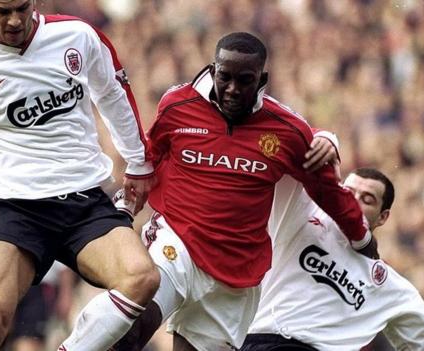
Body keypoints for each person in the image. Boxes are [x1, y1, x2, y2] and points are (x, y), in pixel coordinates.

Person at [113, 32, 376, 351]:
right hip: (178, 239)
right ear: (212, 71)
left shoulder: (286, 131)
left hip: (235, 274)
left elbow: (328, 192)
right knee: (133, 323)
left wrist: (362, 237)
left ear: (262, 79)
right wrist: (125, 203)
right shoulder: (178, 105)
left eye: (245, 80)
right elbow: (148, 160)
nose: (233, 89)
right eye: (225, 77)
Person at [0, 1, 159, 350]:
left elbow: (111, 90)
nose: (16, 20)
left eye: (22, 7)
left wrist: (137, 161)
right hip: (17, 208)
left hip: (84, 201)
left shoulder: (77, 35)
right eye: (4, 11)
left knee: (142, 278)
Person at [242, 168, 424, 351]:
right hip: (253, 339)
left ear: (383, 217)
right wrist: (327, 139)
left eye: (367, 200)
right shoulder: (299, 216)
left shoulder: (388, 286)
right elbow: (287, 146)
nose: (353, 203)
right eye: (347, 193)